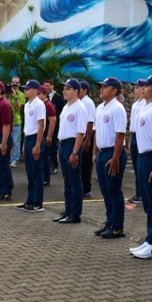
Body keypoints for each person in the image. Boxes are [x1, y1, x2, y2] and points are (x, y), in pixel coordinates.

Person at [129, 74, 152, 259]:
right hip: (143, 157)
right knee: (148, 203)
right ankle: (149, 239)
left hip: (151, 157)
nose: (142, 88)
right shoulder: (144, 108)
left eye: (147, 85)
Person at [93, 77, 128, 239]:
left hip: (113, 153)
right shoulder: (100, 108)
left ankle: (117, 227)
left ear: (114, 90)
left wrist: (115, 158)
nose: (101, 89)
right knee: (106, 191)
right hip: (101, 152)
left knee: (114, 191)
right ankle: (109, 222)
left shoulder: (117, 108)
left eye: (105, 87)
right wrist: (95, 152)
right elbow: (97, 132)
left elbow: (120, 135)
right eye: (101, 86)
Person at [54, 78, 87, 224]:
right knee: (67, 180)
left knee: (74, 180)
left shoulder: (80, 108)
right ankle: (67, 210)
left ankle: (75, 213)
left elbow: (80, 132)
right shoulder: (67, 106)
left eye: (68, 89)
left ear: (76, 91)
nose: (64, 91)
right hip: (63, 144)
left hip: (72, 144)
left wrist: (74, 152)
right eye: (64, 88)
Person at [16, 80, 45, 212]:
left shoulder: (39, 105)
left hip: (35, 138)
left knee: (37, 172)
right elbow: (27, 126)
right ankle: (30, 199)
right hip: (28, 138)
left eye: (27, 89)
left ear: (34, 90)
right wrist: (24, 144)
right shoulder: (27, 105)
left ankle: (37, 202)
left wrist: (37, 144)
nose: (25, 91)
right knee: (30, 172)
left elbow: (41, 125)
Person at [127, 80, 146, 204]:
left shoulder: (145, 104)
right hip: (134, 135)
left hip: (140, 136)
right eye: (135, 87)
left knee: (141, 166)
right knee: (135, 166)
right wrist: (130, 140)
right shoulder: (135, 104)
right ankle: (138, 192)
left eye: (138, 87)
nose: (135, 90)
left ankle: (142, 193)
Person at [78, 80, 96, 198]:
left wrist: (87, 140)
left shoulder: (88, 103)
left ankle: (86, 189)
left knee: (86, 164)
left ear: (85, 90)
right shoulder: (79, 102)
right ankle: (81, 187)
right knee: (81, 163)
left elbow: (90, 122)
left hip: (87, 134)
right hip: (81, 134)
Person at [37, 86, 57, 186]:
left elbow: (52, 121)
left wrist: (49, 136)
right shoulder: (40, 104)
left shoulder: (48, 105)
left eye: (39, 94)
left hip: (45, 133)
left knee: (45, 157)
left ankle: (46, 177)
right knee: (42, 156)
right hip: (41, 133)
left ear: (44, 94)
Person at [44, 79, 64, 175]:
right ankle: (47, 165)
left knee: (53, 145)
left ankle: (54, 164)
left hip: (55, 125)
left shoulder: (58, 97)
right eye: (45, 86)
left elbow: (61, 111)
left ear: (52, 86)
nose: (46, 88)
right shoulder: (43, 98)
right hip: (45, 125)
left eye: (48, 86)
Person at [7, 76, 25, 167]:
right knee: (8, 141)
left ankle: (14, 159)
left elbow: (19, 108)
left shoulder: (21, 94)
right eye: (13, 82)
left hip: (16, 121)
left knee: (16, 142)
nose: (14, 84)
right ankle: (8, 158)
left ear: (19, 84)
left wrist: (15, 97)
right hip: (7, 121)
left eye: (16, 83)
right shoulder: (7, 93)